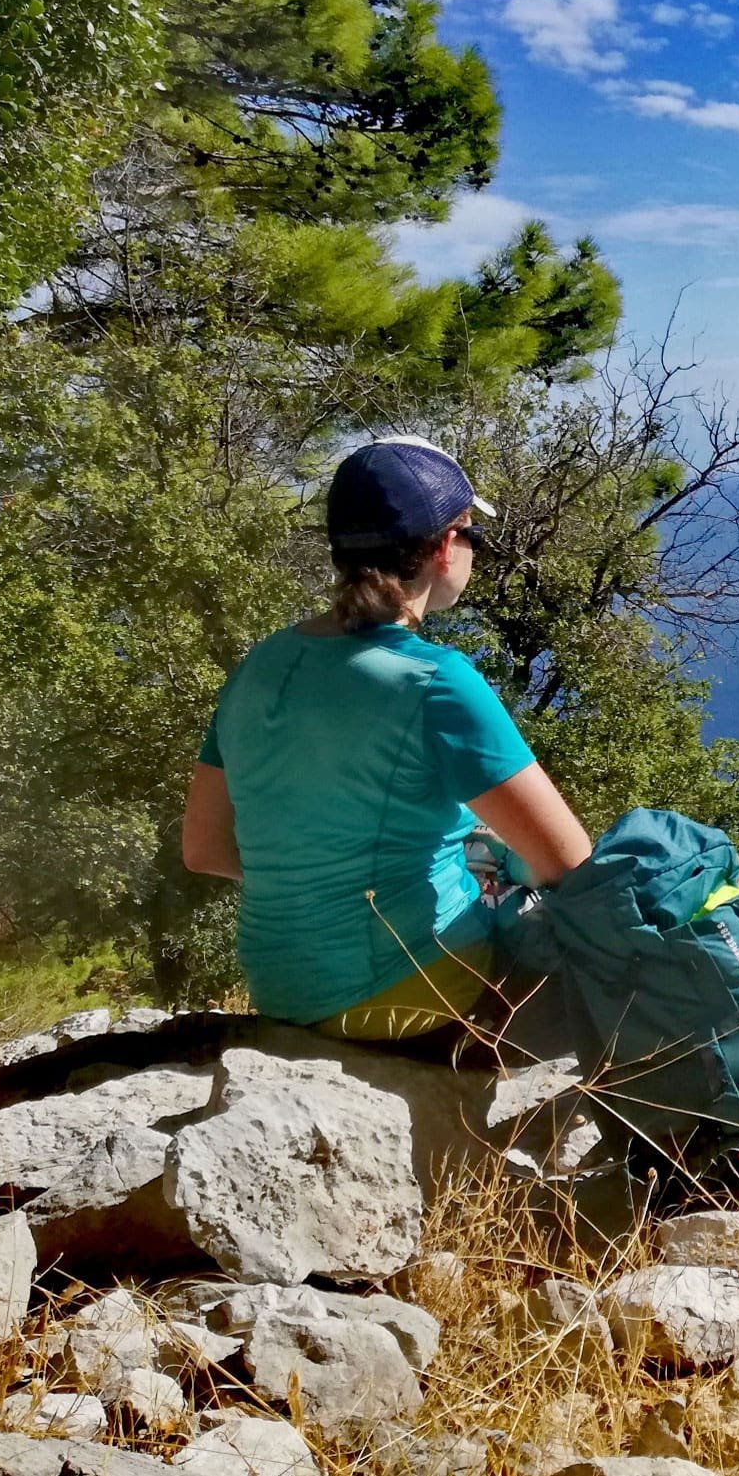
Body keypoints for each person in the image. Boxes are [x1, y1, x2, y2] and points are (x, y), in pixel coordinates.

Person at [181, 437, 593, 1041]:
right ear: (447, 546)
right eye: (472, 534)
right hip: (410, 991)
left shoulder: (259, 666)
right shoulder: (435, 681)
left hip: (281, 989)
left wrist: (322, 876)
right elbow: (569, 861)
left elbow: (205, 851)